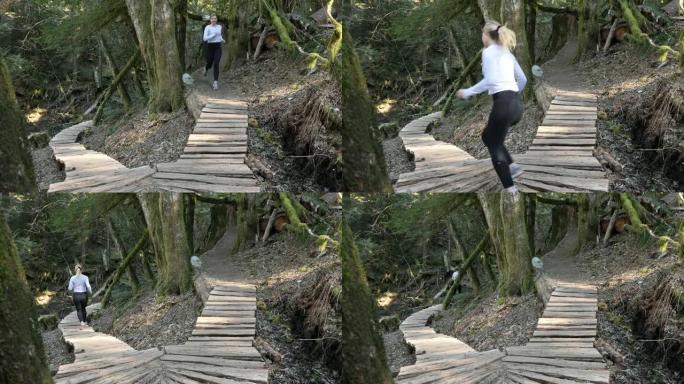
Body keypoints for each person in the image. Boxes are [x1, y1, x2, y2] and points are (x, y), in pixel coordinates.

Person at [456, 21, 528, 193]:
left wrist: (467, 92)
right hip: (516, 105)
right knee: (488, 137)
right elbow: (523, 79)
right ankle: (513, 166)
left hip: (503, 105)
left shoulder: (487, 53)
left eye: (482, 34)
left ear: (487, 36)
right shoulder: (508, 54)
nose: (482, 38)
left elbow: (489, 81)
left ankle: (510, 189)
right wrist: (511, 94)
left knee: (494, 144)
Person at [203, 14, 225, 91]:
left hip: (218, 47)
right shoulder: (207, 27)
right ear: (210, 20)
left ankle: (215, 82)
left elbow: (219, 35)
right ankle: (206, 68)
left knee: (216, 63)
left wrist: (222, 39)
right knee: (209, 63)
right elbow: (205, 38)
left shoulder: (219, 27)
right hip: (210, 47)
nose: (214, 20)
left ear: (217, 19)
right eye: (212, 19)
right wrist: (212, 35)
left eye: (215, 18)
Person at [68, 264, 92, 329]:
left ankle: (82, 322)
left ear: (75, 270)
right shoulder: (85, 277)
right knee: (83, 309)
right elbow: (88, 286)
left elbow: (70, 288)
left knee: (79, 310)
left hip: (76, 295)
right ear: (81, 270)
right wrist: (90, 292)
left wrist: (73, 287)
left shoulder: (72, 278)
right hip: (84, 295)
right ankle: (84, 322)